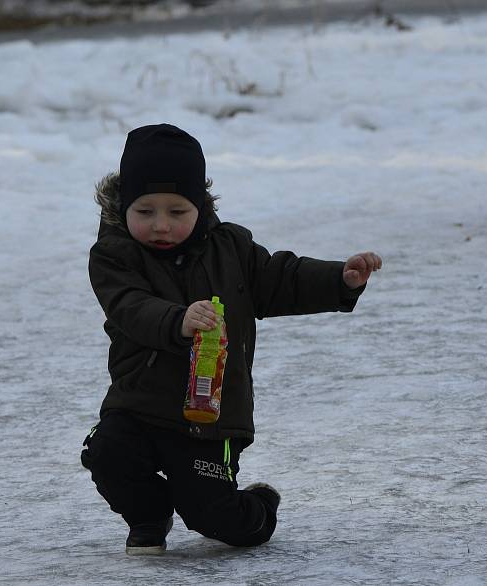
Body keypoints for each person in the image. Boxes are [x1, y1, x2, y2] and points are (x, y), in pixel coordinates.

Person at [81, 123, 382, 555]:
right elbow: (129, 305)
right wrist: (178, 320)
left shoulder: (231, 248)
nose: (161, 225)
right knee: (107, 454)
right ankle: (148, 515)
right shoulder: (114, 255)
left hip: (210, 414)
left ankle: (258, 508)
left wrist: (339, 278)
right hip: (138, 403)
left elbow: (280, 279)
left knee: (212, 517)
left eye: (177, 212)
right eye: (145, 211)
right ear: (124, 206)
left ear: (200, 208)